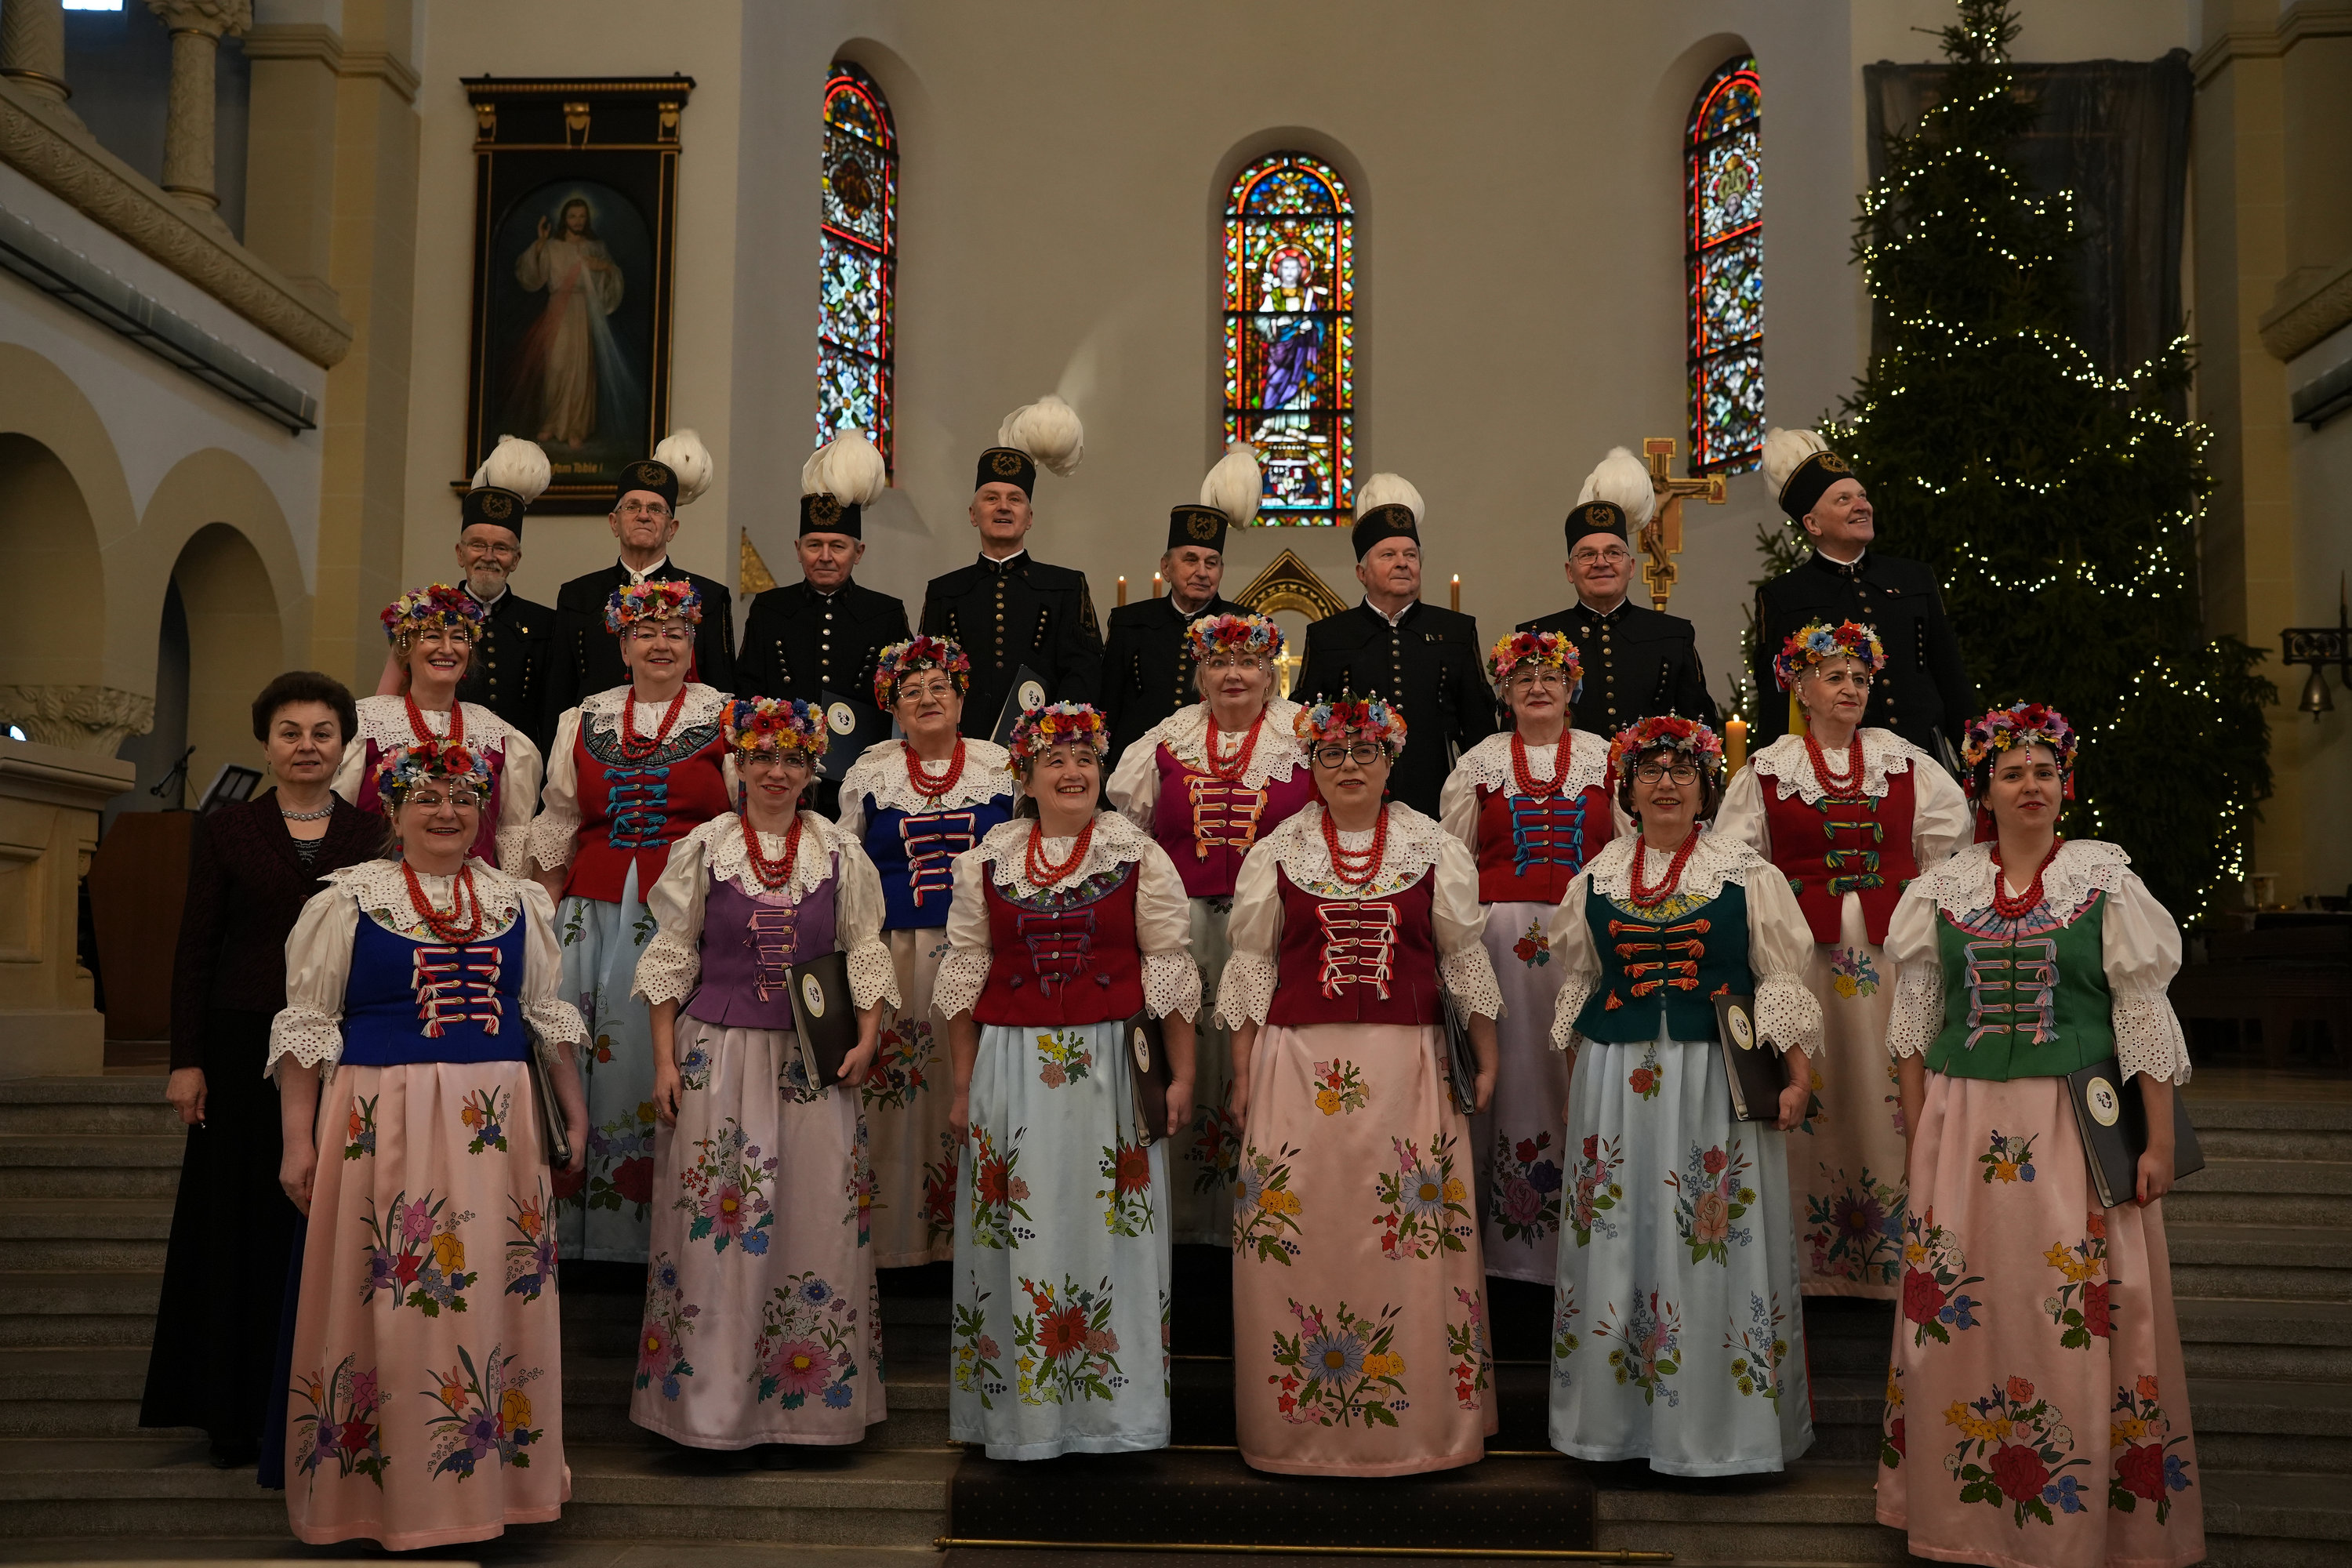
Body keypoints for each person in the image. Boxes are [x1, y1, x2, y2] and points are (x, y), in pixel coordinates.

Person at [1875, 704, 2203, 1568]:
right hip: (1963, 1125)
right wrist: (1917, 1133)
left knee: (2071, 1303)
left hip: (2073, 1125)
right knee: (1963, 1302)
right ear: (1983, 790)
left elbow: (2141, 1015)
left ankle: (2084, 1520)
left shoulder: (2105, 882)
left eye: (2045, 772)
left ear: (2066, 787)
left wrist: (2159, 1143)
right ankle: (1961, 1518)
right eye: (2012, 772)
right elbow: (1914, 1026)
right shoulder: (1940, 889)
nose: (2030, 785)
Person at [268, 738, 590, 1548]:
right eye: (428, 798)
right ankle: (388, 1499)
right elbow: (307, 1029)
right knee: (393, 1300)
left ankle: (493, 1488)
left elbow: (544, 1020)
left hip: (498, 1130)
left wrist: (573, 1111)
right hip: (384, 1121)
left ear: (482, 812)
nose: (447, 813)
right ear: (394, 809)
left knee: (491, 1295)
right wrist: (298, 1141)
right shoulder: (347, 901)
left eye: (462, 800)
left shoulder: (519, 901)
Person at [1217, 691, 1503, 1476]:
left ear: (1390, 762)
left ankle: (1422, 1428)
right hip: (1295, 1069)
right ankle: (1296, 1429)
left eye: (1365, 751)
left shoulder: (1430, 845)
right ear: (1311, 765)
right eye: (1332, 753)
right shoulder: (1278, 850)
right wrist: (1241, 1074)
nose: (1349, 766)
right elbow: (1252, 968)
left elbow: (1462, 960)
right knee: (1301, 1234)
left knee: (1407, 1243)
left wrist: (1486, 1059)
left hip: (1408, 1073)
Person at [1544, 716, 1820, 1476]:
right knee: (1620, 1234)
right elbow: (1580, 987)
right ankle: (1615, 1428)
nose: (1666, 783)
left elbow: (1780, 980)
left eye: (1682, 770)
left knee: (1712, 1240)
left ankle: (1719, 1433)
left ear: (1705, 789)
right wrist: (1574, 1091)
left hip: (1714, 1082)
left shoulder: (1748, 874)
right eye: (1650, 770)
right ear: (1627, 790)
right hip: (1616, 1083)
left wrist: (1798, 1077)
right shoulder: (1596, 877)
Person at [629, 697, 898, 1450]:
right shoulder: (705, 847)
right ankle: (710, 1412)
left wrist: (868, 1037)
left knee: (816, 1218)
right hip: (719, 1056)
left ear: (812, 770)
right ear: (739, 766)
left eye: (792, 759)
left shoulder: (840, 851)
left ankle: (808, 1411)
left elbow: (864, 948)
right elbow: (672, 953)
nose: (777, 772)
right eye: (763, 758)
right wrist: (663, 1060)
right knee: (719, 1231)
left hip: (811, 1063)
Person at [933, 702, 1199, 1460]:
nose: (1073, 772)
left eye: (1085, 759)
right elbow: (965, 977)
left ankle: (1115, 1419)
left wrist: (1181, 1076)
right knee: (1018, 1227)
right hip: (1011, 1068)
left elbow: (1168, 968)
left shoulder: (1136, 854)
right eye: (1055, 761)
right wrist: (962, 1089)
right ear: (1026, 777)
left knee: (1111, 1230)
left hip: (1110, 1069)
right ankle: (1025, 1421)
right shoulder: (988, 860)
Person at [141, 672, 377, 1468]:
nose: (307, 746)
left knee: (322, 1221)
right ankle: (230, 1413)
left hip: (343, 1044)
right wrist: (187, 1059)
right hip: (242, 1044)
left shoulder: (373, 831)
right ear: (267, 745)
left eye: (321, 732)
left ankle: (320, 1406)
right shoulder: (228, 829)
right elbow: (196, 947)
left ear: (344, 745)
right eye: (290, 732)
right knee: (233, 1222)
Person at [1715, 620, 1969, 1298]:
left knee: (1890, 1086)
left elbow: (1947, 854)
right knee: (1820, 1088)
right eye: (1834, 677)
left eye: (1860, 678)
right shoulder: (1768, 770)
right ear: (1801, 688)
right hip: (1806, 961)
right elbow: (1739, 866)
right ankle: (1812, 1270)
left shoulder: (1905, 762)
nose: (1851, 688)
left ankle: (1900, 1259)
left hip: (1891, 958)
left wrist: (1924, 921)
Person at [528, 580, 732, 1264]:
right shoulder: (583, 719)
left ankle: (668, 1240)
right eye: (645, 632)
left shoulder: (726, 718)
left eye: (675, 632)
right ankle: (578, 1235)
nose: (660, 643)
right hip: (590, 916)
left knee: (660, 1059)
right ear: (623, 646)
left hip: (686, 918)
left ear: (693, 645)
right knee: (581, 1054)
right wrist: (541, 917)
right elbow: (560, 820)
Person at [1107, 612, 1313, 1245]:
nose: (1234, 675)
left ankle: (1265, 1222)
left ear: (1271, 674)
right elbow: (1132, 839)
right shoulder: (1165, 741)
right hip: (1183, 931)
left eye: (1248, 662)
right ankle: (1184, 1227)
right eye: (1219, 663)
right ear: (1200, 676)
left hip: (1274, 931)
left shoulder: (1306, 738)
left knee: (1264, 1064)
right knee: (1183, 1062)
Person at [1437, 631, 1620, 1289]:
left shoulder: (1606, 759)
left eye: (1551, 677)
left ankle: (1590, 1240)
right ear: (1505, 693)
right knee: (1509, 1075)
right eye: (1523, 679)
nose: (1538, 687)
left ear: (1573, 689)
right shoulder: (1479, 764)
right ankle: (1506, 1254)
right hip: (1500, 950)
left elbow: (1630, 848)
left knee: (1578, 1073)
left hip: (1586, 944)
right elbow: (1452, 861)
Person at [836, 637, 1014, 1269]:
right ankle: (899, 1243)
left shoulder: (1001, 766)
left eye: (940, 687)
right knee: (900, 1096)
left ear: (962, 699)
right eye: (911, 692)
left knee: (978, 1087)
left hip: (986, 954)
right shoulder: (872, 772)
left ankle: (981, 1244)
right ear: (894, 709)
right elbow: (848, 867)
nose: (927, 699)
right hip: (900, 956)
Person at [1751, 428, 1973, 765]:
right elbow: (1777, 700)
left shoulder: (1915, 577)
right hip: (1836, 770)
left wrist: (1976, 762)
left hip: (1925, 762)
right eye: (1844, 500)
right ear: (1812, 524)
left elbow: (1951, 676)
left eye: (1862, 496)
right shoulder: (1783, 595)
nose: (1862, 506)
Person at [735, 432, 913, 817]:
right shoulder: (769, 609)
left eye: (838, 546)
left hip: (864, 781)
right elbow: (746, 691)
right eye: (814, 545)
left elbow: (904, 698)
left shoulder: (885, 613)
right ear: (797, 550)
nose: (825, 556)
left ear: (858, 552)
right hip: (781, 778)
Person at [1295, 474, 1494, 817]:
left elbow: (1480, 726)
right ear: (1361, 572)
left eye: (1411, 555)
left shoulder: (1456, 630)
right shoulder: (1328, 636)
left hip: (1441, 796)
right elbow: (1305, 725)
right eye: (1388, 555)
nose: (1403, 562)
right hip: (1352, 799)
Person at [920, 397, 1105, 739]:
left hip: (1043, 747)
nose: (1003, 507)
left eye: (1015, 499)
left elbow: (1084, 673)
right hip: (961, 745)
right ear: (973, 514)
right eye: (991, 498)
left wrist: (1052, 735)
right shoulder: (945, 591)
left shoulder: (1066, 586)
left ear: (1029, 518)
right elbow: (927, 676)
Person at [338, 585, 541, 874]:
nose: (447, 649)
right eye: (432, 636)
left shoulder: (500, 737)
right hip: (378, 887)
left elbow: (513, 838)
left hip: (472, 890)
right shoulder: (366, 723)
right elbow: (336, 819)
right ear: (406, 648)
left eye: (458, 638)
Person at [1516, 448, 1715, 738]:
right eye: (1587, 555)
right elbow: (1515, 733)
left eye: (1613, 553)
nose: (1601, 563)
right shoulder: (1535, 637)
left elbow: (1701, 730)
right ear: (1570, 571)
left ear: (1631, 567)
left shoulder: (1674, 635)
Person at [550, 431, 737, 716]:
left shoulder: (709, 597)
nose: (644, 515)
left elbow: (722, 695)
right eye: (632, 507)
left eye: (656, 509)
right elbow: (558, 693)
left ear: (672, 529)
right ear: (614, 523)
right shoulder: (577, 595)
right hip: (592, 737)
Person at [1097, 444, 1256, 767]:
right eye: (1190, 560)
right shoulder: (1130, 622)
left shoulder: (1246, 624)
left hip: (1217, 767)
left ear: (1221, 570)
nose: (1202, 572)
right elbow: (1107, 704)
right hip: (1135, 765)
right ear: (1166, 568)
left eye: (1211, 563)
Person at [452, 436, 561, 757]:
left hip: (522, 769)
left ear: (516, 559)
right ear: (460, 553)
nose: (488, 556)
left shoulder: (546, 624)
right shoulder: (430, 617)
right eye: (477, 545)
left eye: (501, 548)